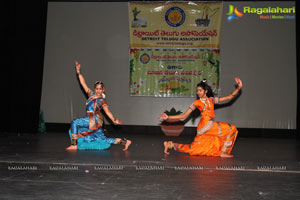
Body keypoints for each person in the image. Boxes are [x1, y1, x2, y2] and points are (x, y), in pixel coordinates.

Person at [159, 78, 243, 157]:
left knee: (194, 149)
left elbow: (229, 97)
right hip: (205, 126)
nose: (198, 92)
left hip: (208, 126)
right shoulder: (197, 102)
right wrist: (168, 117)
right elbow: (184, 115)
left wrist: (238, 88)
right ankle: (223, 152)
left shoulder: (211, 100)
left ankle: (170, 144)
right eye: (197, 91)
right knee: (231, 129)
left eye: (200, 90)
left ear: (205, 91)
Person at [66, 61, 131, 151]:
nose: (98, 91)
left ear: (103, 90)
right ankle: (125, 142)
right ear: (94, 89)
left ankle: (74, 144)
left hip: (94, 119)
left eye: (100, 89)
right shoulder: (91, 95)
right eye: (96, 88)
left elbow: (107, 111)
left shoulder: (102, 100)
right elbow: (83, 83)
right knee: (102, 139)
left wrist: (113, 120)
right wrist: (78, 71)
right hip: (94, 120)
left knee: (75, 122)